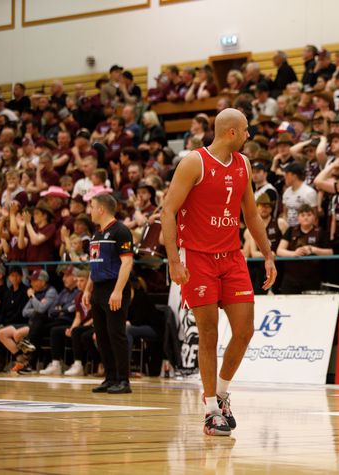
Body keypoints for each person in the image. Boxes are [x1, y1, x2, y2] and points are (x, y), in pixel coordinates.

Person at [161, 108, 277, 437]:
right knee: (208, 334)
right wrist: (174, 260)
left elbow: (251, 215)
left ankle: (223, 393)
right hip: (197, 258)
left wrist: (267, 254)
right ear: (230, 133)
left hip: (232, 256)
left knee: (245, 330)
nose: (248, 135)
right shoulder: (193, 163)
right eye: (245, 130)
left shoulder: (243, 164)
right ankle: (211, 408)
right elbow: (168, 210)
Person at [82, 193, 135, 395]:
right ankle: (110, 377)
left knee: (116, 335)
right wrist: (88, 289)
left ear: (101, 209)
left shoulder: (121, 231)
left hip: (114, 288)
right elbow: (93, 264)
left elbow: (127, 263)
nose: (90, 211)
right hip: (98, 290)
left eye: (92, 207)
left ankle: (123, 380)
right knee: (102, 336)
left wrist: (118, 291)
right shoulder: (96, 234)